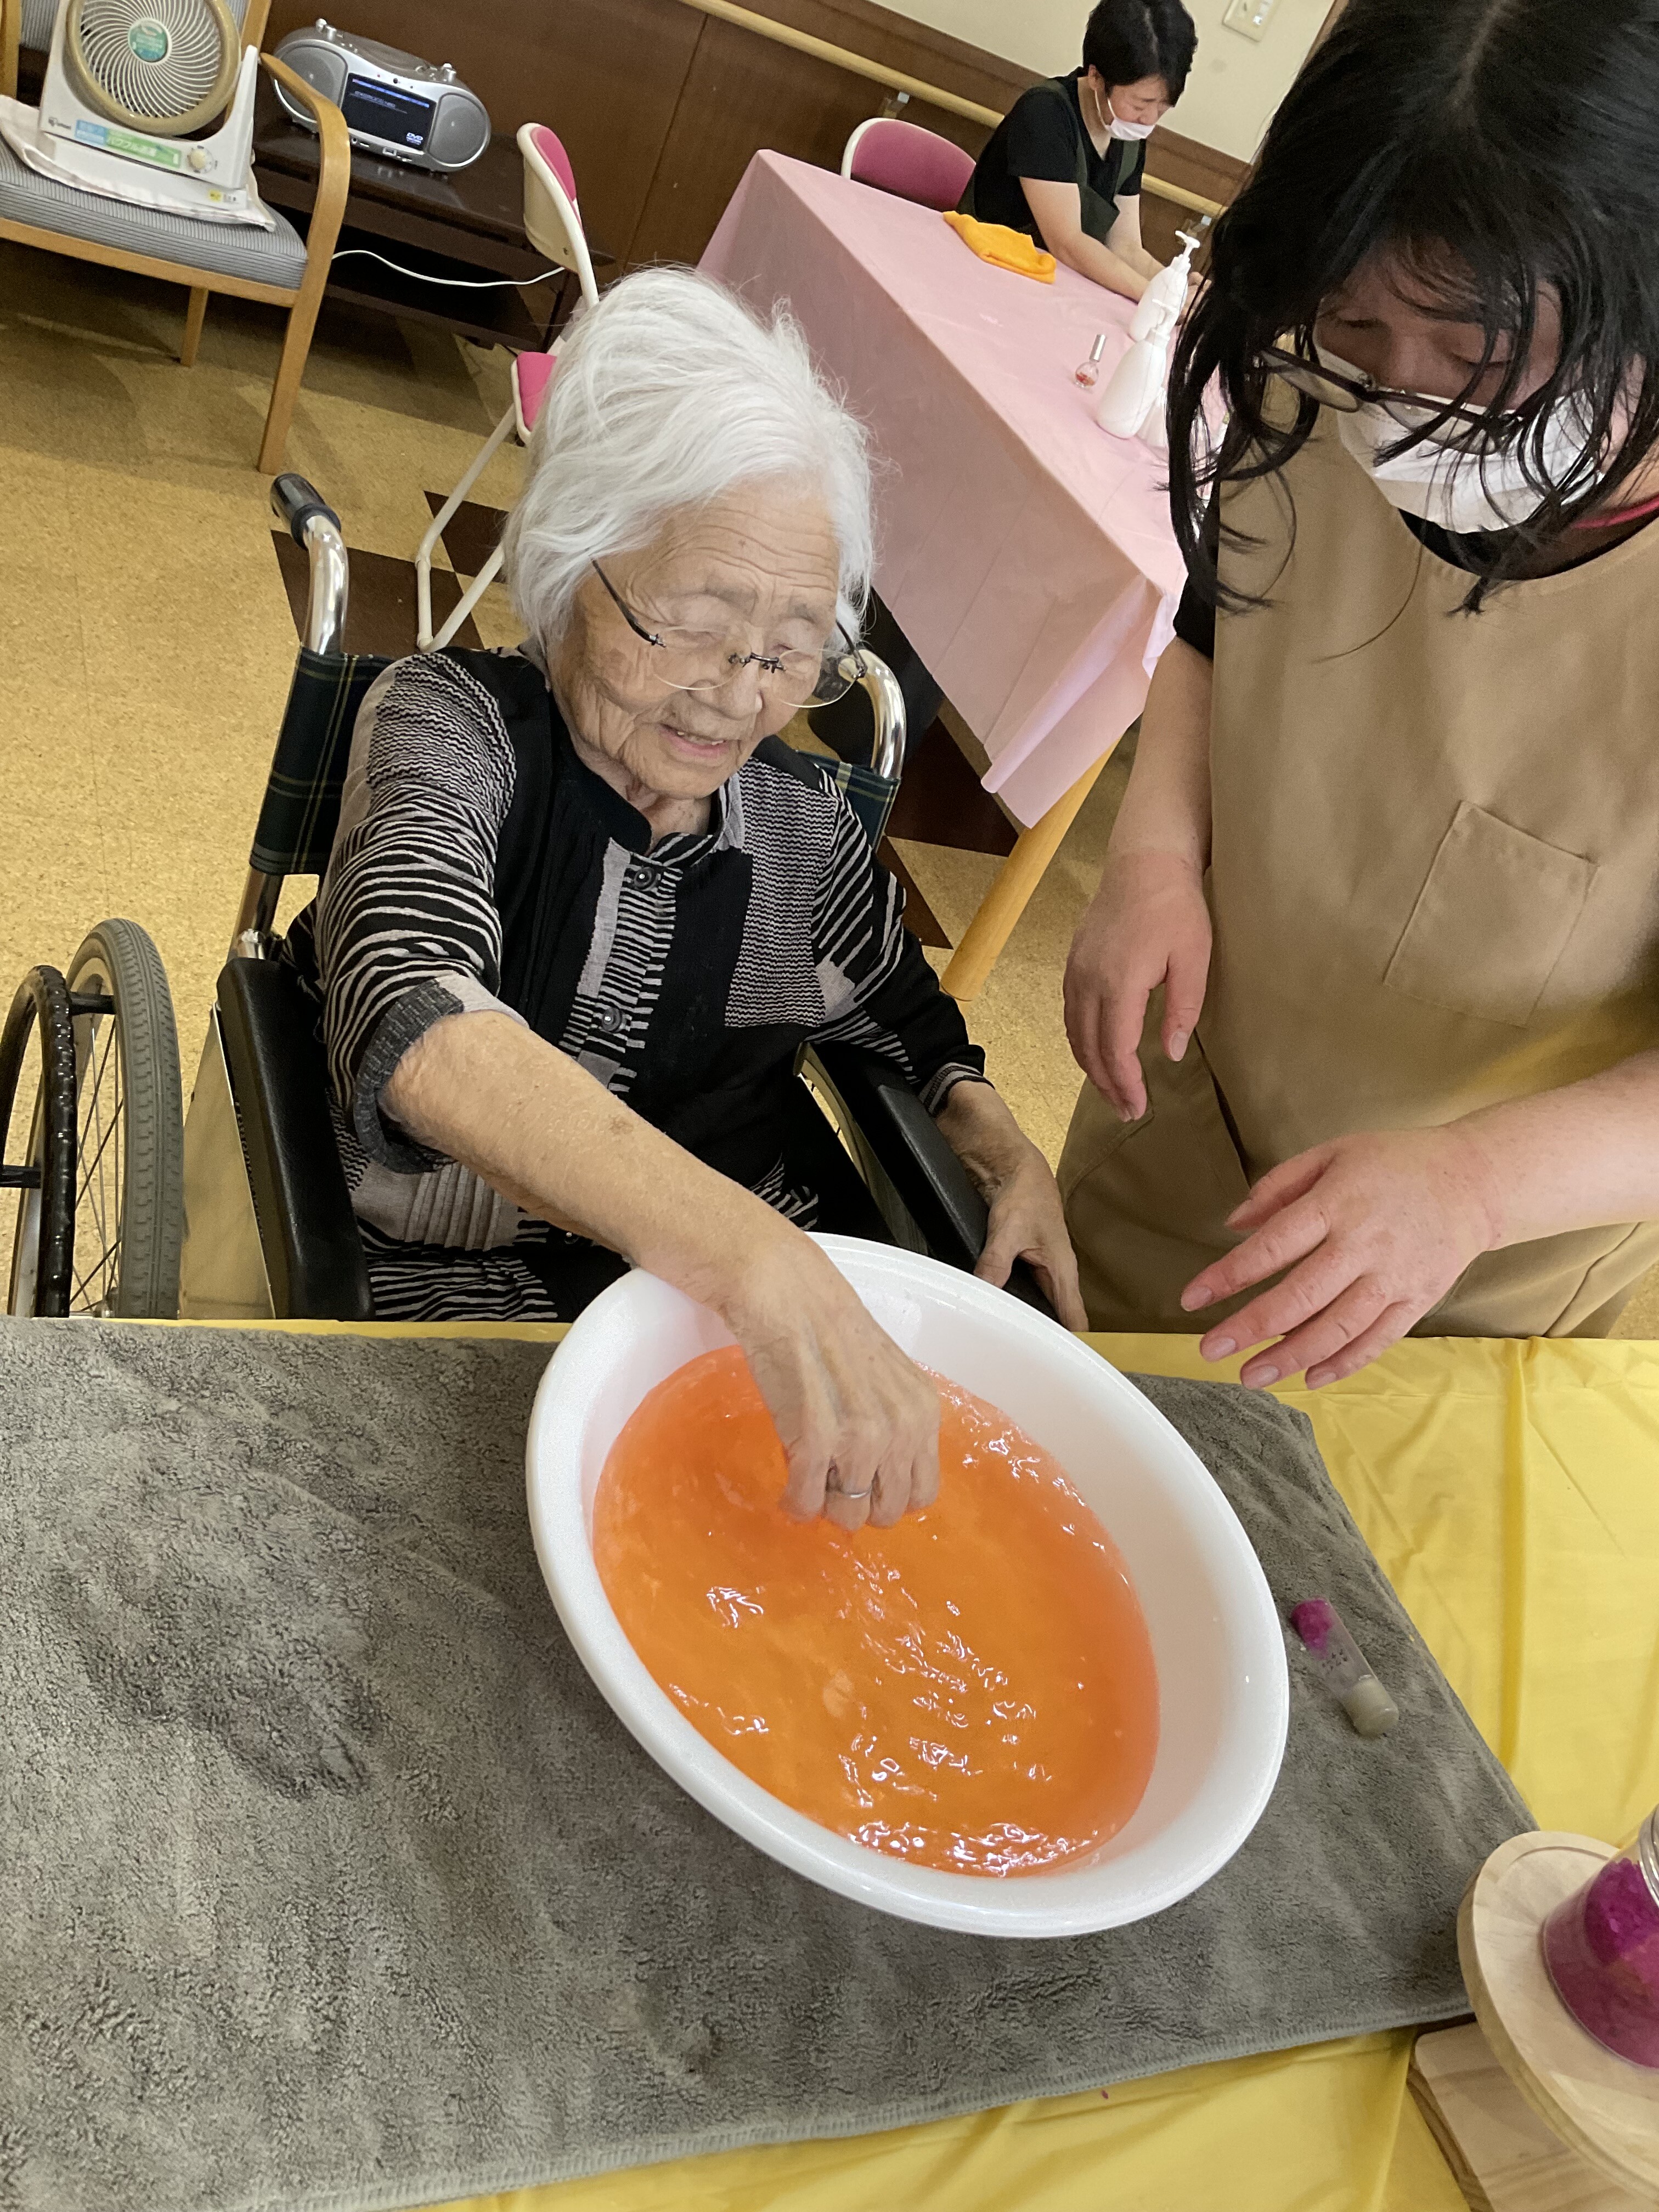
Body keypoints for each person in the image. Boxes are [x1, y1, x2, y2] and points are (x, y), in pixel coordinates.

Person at [288, 267, 1085, 1528]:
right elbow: (416, 1010)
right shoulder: (455, 728)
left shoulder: (799, 829)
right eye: (694, 626)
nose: (740, 692)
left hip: (716, 1351)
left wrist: (1009, 1152)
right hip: (458, 1304)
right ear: (573, 566)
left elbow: (912, 1028)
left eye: (791, 650)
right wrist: (751, 1256)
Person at [1059, 0, 1659, 1388]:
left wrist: (1477, 1187)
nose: (1395, 410)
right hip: (1187, 1137)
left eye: (1475, 360)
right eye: (1354, 325)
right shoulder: (1313, 385)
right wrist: (1153, 858)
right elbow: (1220, 632)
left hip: (1468, 1286)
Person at [957, 0, 1197, 303]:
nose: (1149, 120)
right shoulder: (1046, 112)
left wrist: (1178, 288)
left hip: (1044, 292)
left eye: (1163, 108)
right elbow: (1068, 243)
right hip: (981, 275)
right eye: (1141, 105)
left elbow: (1125, 248)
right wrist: (1161, 299)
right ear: (1096, 77)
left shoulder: (1127, 134)